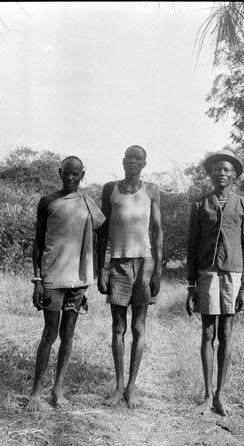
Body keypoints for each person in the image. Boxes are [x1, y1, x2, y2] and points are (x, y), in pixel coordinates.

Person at [27, 156, 105, 412]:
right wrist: (37, 279)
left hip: (77, 280)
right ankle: (36, 393)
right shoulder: (48, 201)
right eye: (66, 173)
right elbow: (38, 242)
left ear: (82, 175)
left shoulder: (87, 203)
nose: (70, 178)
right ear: (60, 172)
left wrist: (91, 274)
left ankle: (57, 390)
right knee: (49, 333)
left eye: (75, 174)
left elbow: (99, 236)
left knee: (68, 334)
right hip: (51, 277)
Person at [186, 149, 244, 416]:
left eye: (226, 169)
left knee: (225, 334)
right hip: (206, 274)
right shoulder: (200, 204)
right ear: (211, 174)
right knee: (207, 333)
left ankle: (220, 395)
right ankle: (206, 394)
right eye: (217, 169)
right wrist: (191, 286)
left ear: (234, 175)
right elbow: (192, 247)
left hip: (233, 274)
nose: (221, 173)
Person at [97, 145, 163, 409]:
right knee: (118, 327)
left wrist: (158, 269)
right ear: (123, 161)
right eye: (129, 158)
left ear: (144, 163)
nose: (133, 162)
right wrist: (101, 268)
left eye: (138, 159)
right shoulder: (110, 189)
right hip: (118, 264)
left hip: (145, 263)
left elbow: (157, 231)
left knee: (138, 327)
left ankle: (132, 387)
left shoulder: (152, 190)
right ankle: (118, 386)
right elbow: (102, 231)